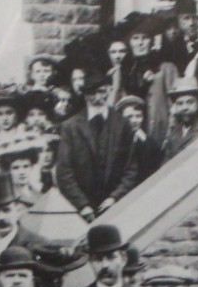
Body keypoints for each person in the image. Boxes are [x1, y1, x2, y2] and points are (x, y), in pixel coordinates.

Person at [55, 70, 140, 222]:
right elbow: (64, 172)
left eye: (102, 91)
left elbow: (131, 169)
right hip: (80, 211)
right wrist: (83, 205)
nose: (97, 97)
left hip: (115, 207)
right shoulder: (70, 127)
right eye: (91, 93)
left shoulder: (122, 124)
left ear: (109, 90)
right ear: (84, 95)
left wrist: (114, 198)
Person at [162, 77, 198, 163]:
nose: (185, 108)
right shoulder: (173, 133)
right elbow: (165, 166)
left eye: (190, 102)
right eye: (180, 103)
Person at [116, 96, 163, 183]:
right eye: (129, 117)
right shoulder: (115, 141)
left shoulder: (148, 142)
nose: (134, 120)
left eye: (138, 116)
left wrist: (145, 142)